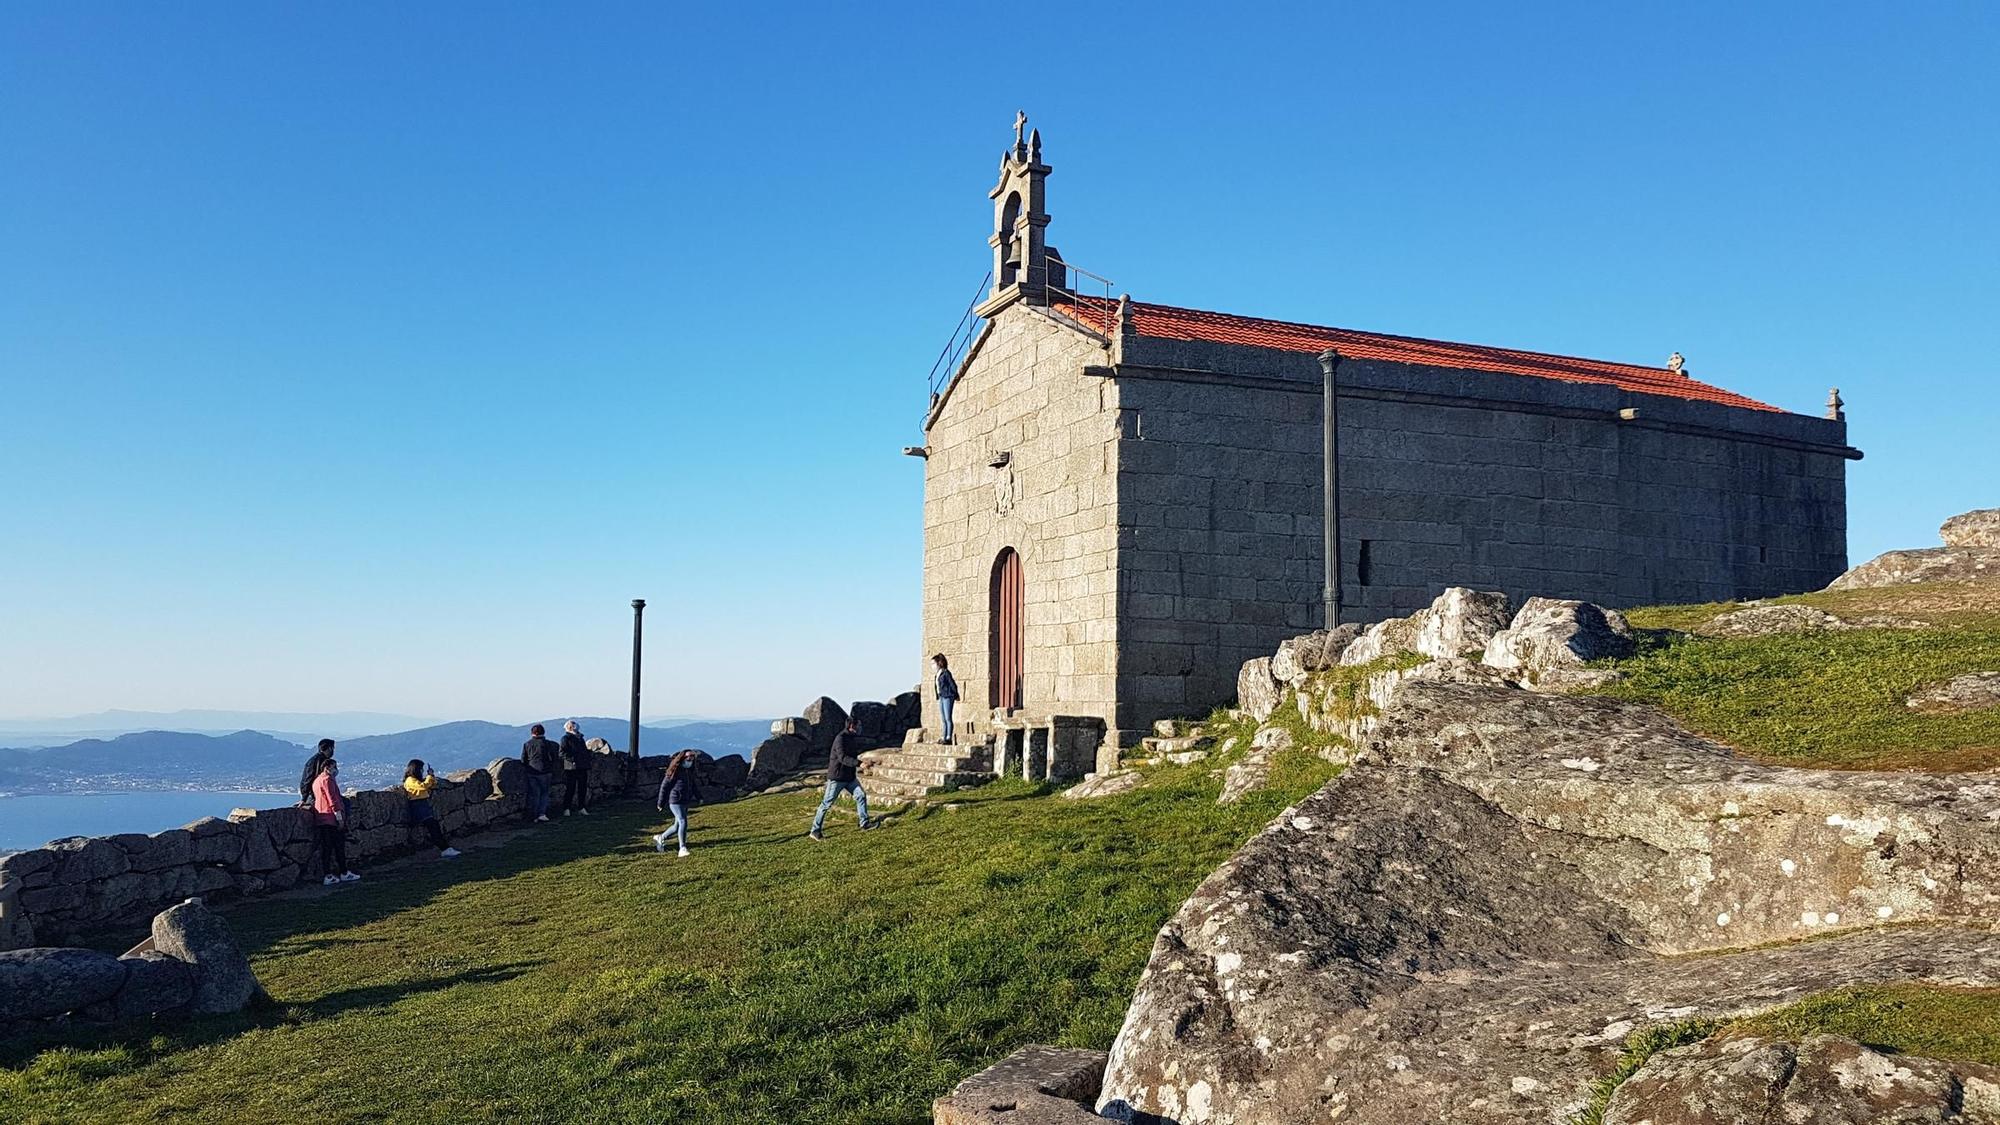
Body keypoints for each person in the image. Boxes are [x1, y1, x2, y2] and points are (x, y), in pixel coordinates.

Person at [809, 718, 874, 842]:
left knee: (861, 795)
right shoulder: (840, 738)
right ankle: (815, 830)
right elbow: (842, 757)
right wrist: (859, 764)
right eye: (858, 725)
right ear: (851, 726)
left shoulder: (851, 738)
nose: (860, 728)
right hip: (837, 778)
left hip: (849, 777)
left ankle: (864, 823)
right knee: (826, 804)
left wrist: (863, 764)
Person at [311, 759, 360, 885]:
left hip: (321, 817)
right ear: (327, 767)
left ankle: (328, 874)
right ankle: (344, 872)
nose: (336, 769)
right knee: (338, 846)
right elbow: (332, 799)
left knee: (327, 847)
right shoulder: (327, 780)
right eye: (334, 766)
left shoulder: (317, 780)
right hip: (330, 818)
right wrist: (339, 818)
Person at [403, 759, 461, 858]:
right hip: (418, 806)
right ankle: (445, 848)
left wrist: (431, 776)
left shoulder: (415, 779)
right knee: (433, 827)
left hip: (423, 805)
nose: (421, 771)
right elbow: (423, 786)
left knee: (434, 826)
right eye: (421, 769)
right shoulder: (410, 780)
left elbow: (430, 784)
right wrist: (429, 776)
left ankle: (445, 848)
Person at [652, 749, 703, 857]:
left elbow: (693, 786)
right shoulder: (674, 771)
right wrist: (660, 803)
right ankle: (682, 848)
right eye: (688, 757)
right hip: (675, 800)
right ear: (682, 758)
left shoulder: (690, 772)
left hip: (685, 801)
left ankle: (661, 837)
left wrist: (699, 797)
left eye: (692, 757)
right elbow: (664, 787)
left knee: (676, 826)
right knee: (683, 821)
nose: (690, 760)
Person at [521, 723, 559, 823]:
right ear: (543, 732)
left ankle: (533, 816)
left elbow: (523, 759)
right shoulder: (548, 744)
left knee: (535, 794)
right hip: (545, 771)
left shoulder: (527, 744)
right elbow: (554, 757)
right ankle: (542, 814)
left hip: (532, 771)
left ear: (532, 733)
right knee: (544, 793)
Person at [559, 720, 591, 817]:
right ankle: (566, 808)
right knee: (570, 788)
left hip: (582, 766)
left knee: (582, 788)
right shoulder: (565, 738)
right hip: (571, 768)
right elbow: (562, 753)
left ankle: (581, 807)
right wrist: (572, 759)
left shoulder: (580, 738)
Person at [298, 738, 336, 805]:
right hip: (313, 794)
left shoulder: (319, 759)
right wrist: (304, 798)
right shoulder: (318, 761)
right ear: (329, 748)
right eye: (332, 748)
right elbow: (308, 779)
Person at [933, 654, 959, 744]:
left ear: (939, 663)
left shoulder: (946, 673)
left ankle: (948, 737)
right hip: (941, 697)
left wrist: (955, 694)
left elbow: (952, 684)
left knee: (948, 717)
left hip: (948, 696)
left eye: (933, 663)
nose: (932, 666)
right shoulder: (937, 674)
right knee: (943, 718)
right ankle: (943, 736)